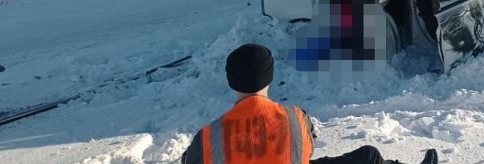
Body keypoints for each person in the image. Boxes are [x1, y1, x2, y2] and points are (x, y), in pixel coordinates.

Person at [182, 43, 437, 164]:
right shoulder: (295, 118)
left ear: (231, 81)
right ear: (269, 76)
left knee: (365, 156)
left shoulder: (207, 137)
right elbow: (307, 150)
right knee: (368, 158)